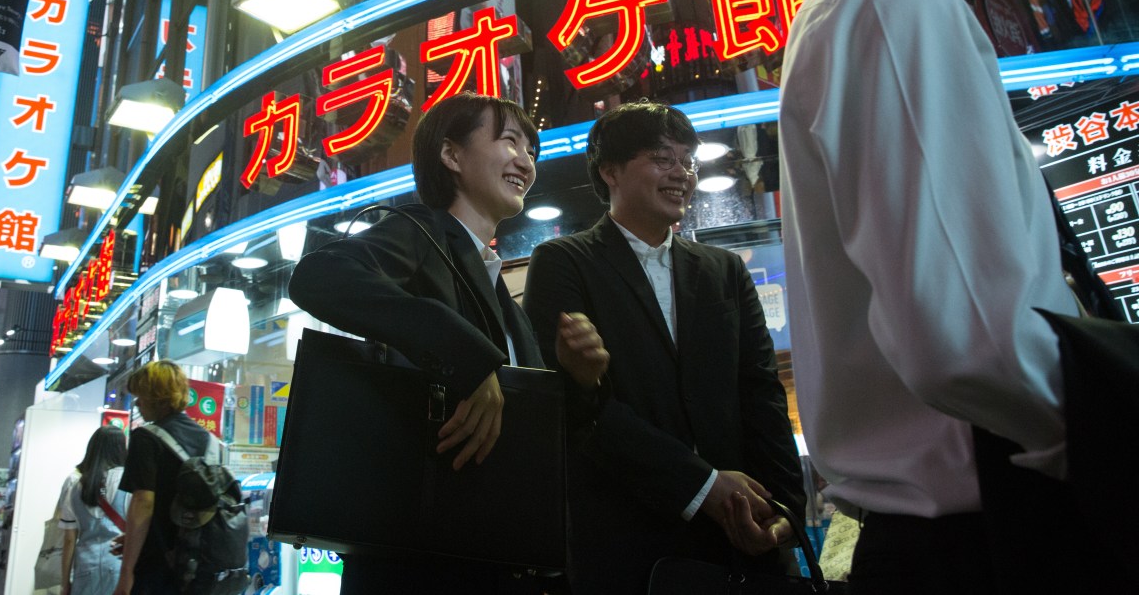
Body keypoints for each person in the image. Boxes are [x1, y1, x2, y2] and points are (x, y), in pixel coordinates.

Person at [730, 0, 1129, 592]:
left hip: (945, 532)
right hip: (998, 529)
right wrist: (1101, 442)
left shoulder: (842, 8)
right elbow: (970, 336)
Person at [287, 91, 609, 594]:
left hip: (495, 554)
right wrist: (462, 353)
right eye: (509, 141)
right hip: (418, 559)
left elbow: (535, 437)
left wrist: (580, 381)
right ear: (451, 155)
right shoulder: (420, 231)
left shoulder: (500, 291)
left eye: (532, 150)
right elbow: (319, 275)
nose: (525, 160)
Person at [523, 102, 803, 594]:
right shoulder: (563, 262)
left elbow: (761, 396)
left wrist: (784, 511)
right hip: (632, 548)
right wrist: (705, 487)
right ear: (610, 170)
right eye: (662, 158)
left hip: (744, 546)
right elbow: (582, 412)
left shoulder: (724, 271)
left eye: (688, 160)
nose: (683, 174)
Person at [114, 360, 230, 595]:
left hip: (158, 570)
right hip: (200, 568)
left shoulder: (146, 438)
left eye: (141, 396)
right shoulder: (210, 441)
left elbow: (143, 503)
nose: (137, 403)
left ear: (155, 396)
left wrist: (126, 572)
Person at [61, 426, 130, 595]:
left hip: (85, 567)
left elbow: (70, 540)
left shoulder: (76, 486)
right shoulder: (127, 481)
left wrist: (65, 584)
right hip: (118, 566)